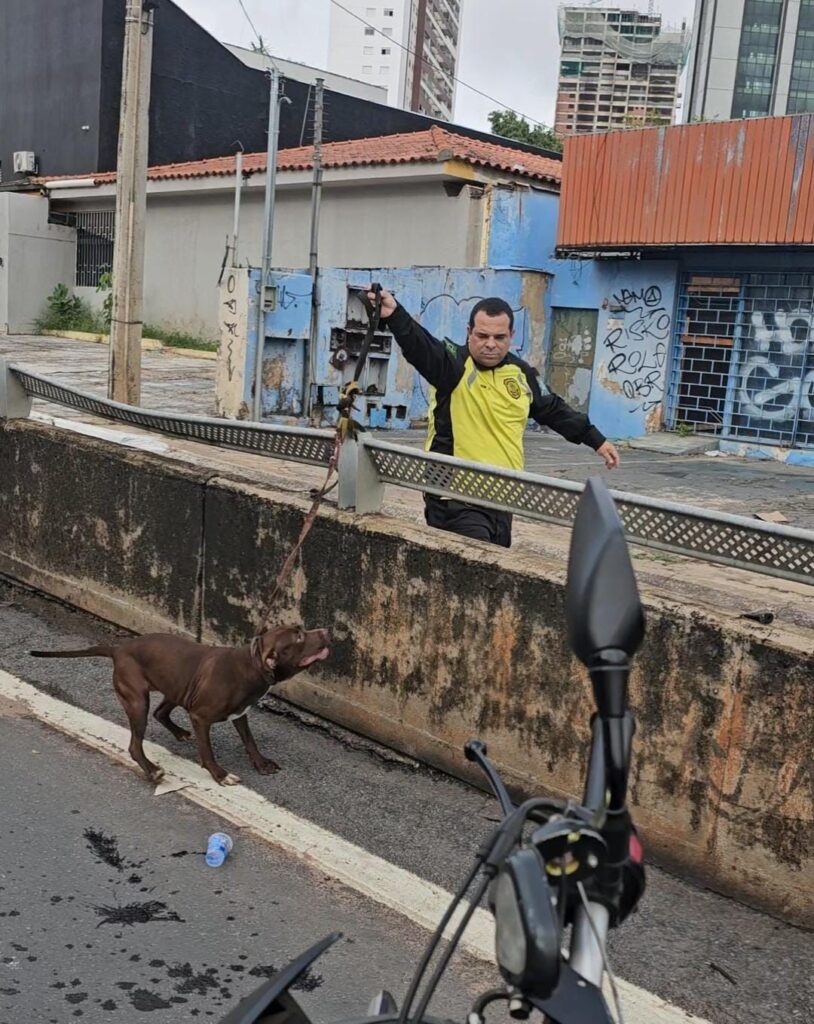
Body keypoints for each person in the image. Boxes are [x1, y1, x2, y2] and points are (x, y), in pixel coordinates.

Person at [370, 287, 620, 548]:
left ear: (511, 336)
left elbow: (553, 409)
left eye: (499, 337)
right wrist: (395, 315)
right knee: (475, 572)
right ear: (469, 333)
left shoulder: (520, 373)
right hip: (455, 499)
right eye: (482, 335)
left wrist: (596, 440)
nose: (490, 343)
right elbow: (422, 347)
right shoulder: (452, 365)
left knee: (492, 578)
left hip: (502, 498)